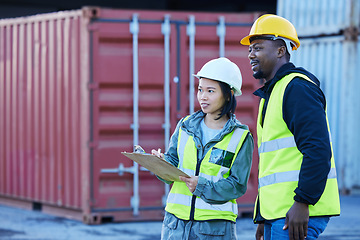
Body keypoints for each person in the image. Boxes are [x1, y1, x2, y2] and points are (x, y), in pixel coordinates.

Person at [239, 14, 340, 240]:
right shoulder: (272, 93)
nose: (251, 55)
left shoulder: (297, 88)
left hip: (296, 212)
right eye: (249, 50)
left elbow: (317, 149)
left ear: (280, 51)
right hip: (278, 213)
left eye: (257, 48)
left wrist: (303, 202)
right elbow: (274, 165)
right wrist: (262, 215)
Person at [151, 57, 254, 240]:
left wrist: (203, 187)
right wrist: (160, 164)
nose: (202, 96)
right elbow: (174, 162)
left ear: (228, 94)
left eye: (210, 91)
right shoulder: (185, 126)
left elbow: (237, 185)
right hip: (176, 224)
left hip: (214, 228)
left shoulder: (241, 137)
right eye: (200, 90)